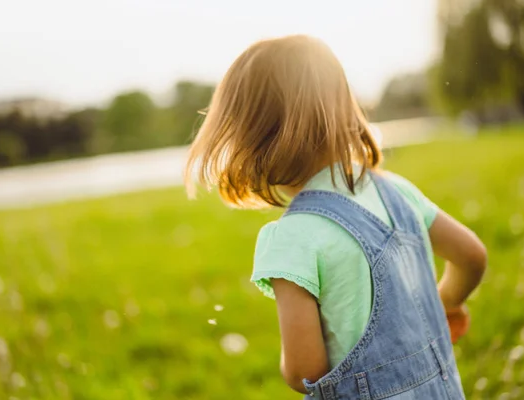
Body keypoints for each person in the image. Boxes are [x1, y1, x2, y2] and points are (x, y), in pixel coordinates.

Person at [184, 35, 487, 399]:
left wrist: (288, 366)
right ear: (344, 109)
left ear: (250, 141)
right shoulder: (395, 191)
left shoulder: (292, 239)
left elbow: (303, 370)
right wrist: (445, 304)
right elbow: (472, 256)